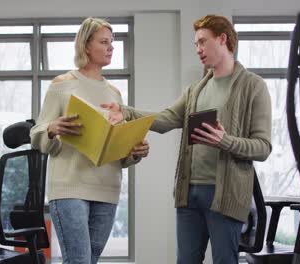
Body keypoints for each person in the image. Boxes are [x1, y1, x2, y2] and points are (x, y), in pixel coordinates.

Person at [102, 15, 272, 264]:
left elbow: (263, 147)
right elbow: (166, 119)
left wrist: (225, 140)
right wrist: (126, 111)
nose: (198, 50)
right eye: (195, 45)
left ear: (223, 39)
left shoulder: (253, 86)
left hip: (225, 196)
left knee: (225, 261)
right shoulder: (195, 90)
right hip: (188, 193)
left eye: (202, 42)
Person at [30, 17, 149, 264]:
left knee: (89, 261)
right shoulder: (62, 86)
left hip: (107, 189)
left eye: (112, 42)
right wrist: (52, 128)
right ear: (86, 45)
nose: (111, 47)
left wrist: (133, 151)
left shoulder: (114, 93)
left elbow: (116, 149)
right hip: (69, 187)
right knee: (79, 261)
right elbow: (36, 136)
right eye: (104, 42)